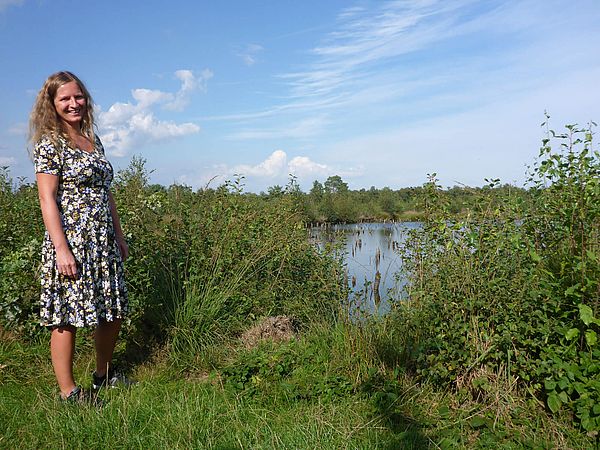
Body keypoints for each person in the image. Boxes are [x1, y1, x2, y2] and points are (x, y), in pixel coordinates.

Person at [29, 71, 131, 402]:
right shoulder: (50, 144)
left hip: (102, 242)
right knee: (66, 317)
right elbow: (47, 198)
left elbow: (106, 192)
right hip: (71, 241)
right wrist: (61, 248)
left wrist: (118, 233)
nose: (74, 104)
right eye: (65, 99)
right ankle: (68, 391)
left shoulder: (92, 141)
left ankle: (103, 375)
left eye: (78, 97)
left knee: (112, 312)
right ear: (52, 104)